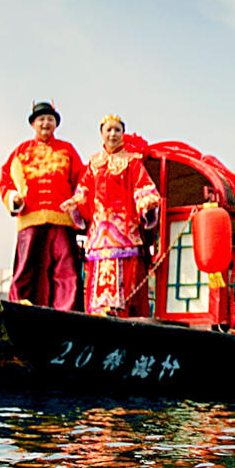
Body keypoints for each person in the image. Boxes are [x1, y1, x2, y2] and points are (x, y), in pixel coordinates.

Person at [64, 115, 162, 317]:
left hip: (125, 231)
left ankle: (121, 314)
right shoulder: (94, 163)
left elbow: (143, 188)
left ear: (123, 133)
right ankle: (97, 315)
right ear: (101, 133)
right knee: (97, 276)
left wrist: (147, 204)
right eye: (108, 130)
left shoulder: (132, 162)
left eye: (117, 130)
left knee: (125, 277)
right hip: (99, 231)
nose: (113, 134)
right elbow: (83, 190)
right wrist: (75, 202)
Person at [0, 102, 85, 310]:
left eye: (50, 119)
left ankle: (67, 310)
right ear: (33, 124)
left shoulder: (67, 150)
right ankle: (22, 308)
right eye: (41, 119)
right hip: (31, 217)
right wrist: (13, 198)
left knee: (66, 268)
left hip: (61, 217)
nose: (46, 123)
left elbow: (81, 180)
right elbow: (5, 180)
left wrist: (77, 202)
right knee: (27, 266)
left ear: (56, 124)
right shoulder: (21, 151)